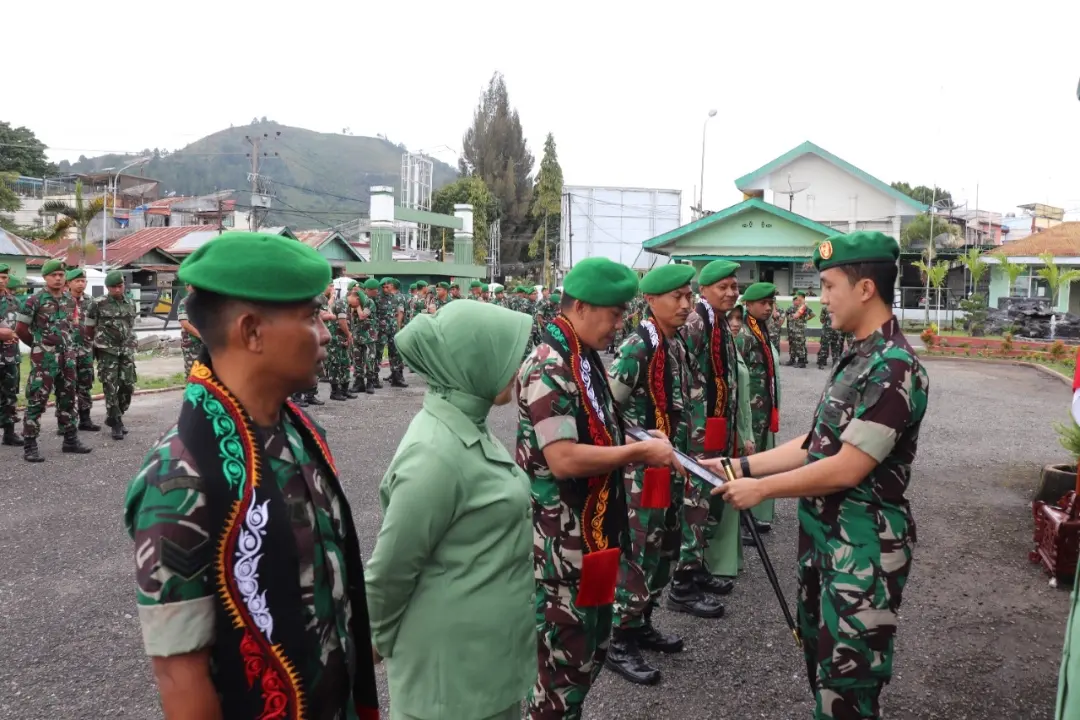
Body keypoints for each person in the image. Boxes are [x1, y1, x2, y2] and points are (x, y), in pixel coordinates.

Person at [123, 230, 380, 720]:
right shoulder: (179, 479)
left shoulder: (299, 433)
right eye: (309, 315)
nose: (326, 331)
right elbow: (182, 677)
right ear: (251, 331)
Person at [709, 231, 929, 720]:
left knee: (846, 692)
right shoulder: (859, 356)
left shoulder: (894, 367)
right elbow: (814, 444)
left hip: (862, 554)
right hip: (827, 545)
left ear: (865, 288)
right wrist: (736, 466)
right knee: (823, 676)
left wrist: (760, 489)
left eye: (829, 286)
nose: (821, 298)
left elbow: (848, 467)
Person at [517, 256, 683, 719]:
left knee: (587, 657)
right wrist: (638, 454)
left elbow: (605, 423)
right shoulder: (550, 366)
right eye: (614, 314)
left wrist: (639, 435)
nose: (619, 324)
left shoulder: (583, 359)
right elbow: (564, 458)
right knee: (560, 674)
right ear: (584, 307)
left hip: (593, 539)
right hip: (561, 551)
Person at [366, 300, 537, 720]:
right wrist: (372, 642)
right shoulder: (434, 454)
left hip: (484, 662)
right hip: (452, 680)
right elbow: (390, 571)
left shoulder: (469, 425)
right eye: (506, 355)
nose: (519, 366)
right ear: (472, 361)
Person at [606, 263, 721, 687]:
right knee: (637, 552)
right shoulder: (639, 348)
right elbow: (607, 410)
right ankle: (619, 639)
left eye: (690, 296)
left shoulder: (672, 345)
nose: (687, 304)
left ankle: (642, 621)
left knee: (661, 550)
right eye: (678, 297)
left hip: (667, 468)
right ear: (651, 300)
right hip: (641, 474)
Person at [681, 260, 750, 592]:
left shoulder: (720, 323)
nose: (730, 293)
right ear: (703, 290)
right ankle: (684, 582)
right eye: (722, 287)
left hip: (716, 424)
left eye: (734, 287)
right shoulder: (696, 324)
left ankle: (698, 566)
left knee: (710, 498)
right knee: (696, 502)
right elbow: (683, 379)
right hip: (698, 430)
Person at [16, 259, 90, 462]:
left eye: (61, 275)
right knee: (37, 400)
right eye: (53, 275)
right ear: (45, 277)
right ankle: (30, 444)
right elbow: (21, 329)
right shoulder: (34, 301)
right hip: (45, 360)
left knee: (68, 398)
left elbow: (72, 325)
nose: (58, 278)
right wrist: (38, 346)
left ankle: (70, 440)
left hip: (67, 358)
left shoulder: (69, 299)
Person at [733, 282, 781, 536]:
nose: (767, 307)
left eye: (770, 303)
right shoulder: (744, 335)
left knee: (755, 461)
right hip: (749, 411)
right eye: (762, 303)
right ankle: (742, 521)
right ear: (748, 305)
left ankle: (748, 516)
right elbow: (738, 376)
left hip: (762, 409)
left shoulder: (760, 330)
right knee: (745, 462)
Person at [84, 271, 138, 440]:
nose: (117, 289)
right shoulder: (98, 303)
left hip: (126, 350)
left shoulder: (130, 302)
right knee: (110, 387)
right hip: (107, 351)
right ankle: (116, 422)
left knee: (128, 385)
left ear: (124, 285)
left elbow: (130, 326)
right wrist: (96, 346)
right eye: (113, 286)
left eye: (119, 286)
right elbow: (88, 328)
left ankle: (116, 414)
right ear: (107, 288)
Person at [64, 267, 101, 433]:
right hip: (67, 351)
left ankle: (85, 419)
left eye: (83, 281)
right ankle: (66, 422)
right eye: (77, 281)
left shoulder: (91, 302)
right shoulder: (62, 301)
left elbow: (97, 325)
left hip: (86, 350)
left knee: (85, 385)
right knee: (66, 387)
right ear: (69, 283)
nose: (81, 284)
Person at [0, 264, 23, 447]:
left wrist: (14, 334)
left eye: (4, 277)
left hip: (10, 357)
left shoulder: (14, 302)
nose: (1, 281)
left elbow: (22, 326)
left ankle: (9, 433)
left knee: (10, 395)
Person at [324, 281, 355, 401]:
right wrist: (349, 335)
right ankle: (335, 391)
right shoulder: (342, 303)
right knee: (335, 364)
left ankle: (344, 390)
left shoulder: (346, 304)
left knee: (345, 364)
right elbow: (342, 322)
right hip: (336, 339)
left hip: (341, 338)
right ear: (353, 297)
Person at [176, 284, 205, 378]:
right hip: (192, 345)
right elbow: (185, 324)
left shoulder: (205, 302)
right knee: (193, 374)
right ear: (187, 287)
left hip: (206, 345)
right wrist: (201, 336)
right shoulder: (184, 302)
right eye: (191, 285)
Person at [784, 290, 814, 368]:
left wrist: (805, 319)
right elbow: (786, 314)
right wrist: (790, 318)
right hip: (791, 329)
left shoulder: (804, 306)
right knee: (792, 344)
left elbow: (812, 314)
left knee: (800, 345)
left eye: (798, 297)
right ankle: (792, 359)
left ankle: (801, 361)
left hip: (799, 329)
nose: (797, 298)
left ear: (801, 297)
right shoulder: (792, 307)